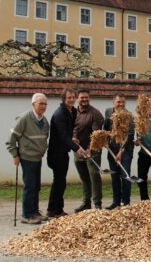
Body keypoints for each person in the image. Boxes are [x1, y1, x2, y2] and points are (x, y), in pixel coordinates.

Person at [6, 93, 49, 224]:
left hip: (37, 157)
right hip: (27, 157)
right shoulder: (24, 118)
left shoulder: (44, 121)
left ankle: (35, 211)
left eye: (45, 104)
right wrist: (15, 155)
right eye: (40, 103)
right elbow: (11, 139)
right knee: (29, 186)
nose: (43, 106)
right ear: (33, 104)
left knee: (36, 186)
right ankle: (27, 214)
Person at [47, 87, 86, 218]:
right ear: (64, 99)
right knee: (59, 181)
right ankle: (54, 210)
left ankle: (56, 208)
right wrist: (77, 148)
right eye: (68, 97)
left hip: (63, 152)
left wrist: (73, 138)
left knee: (60, 181)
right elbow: (63, 135)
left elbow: (69, 132)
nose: (71, 100)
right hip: (55, 153)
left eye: (72, 97)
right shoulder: (60, 114)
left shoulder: (73, 111)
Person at [72, 89, 105, 212]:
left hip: (93, 151)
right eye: (82, 97)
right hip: (78, 151)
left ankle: (97, 204)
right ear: (77, 98)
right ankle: (86, 203)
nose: (84, 99)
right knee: (84, 178)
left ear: (89, 98)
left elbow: (96, 134)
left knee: (94, 177)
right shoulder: (73, 112)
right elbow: (73, 127)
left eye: (86, 97)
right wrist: (74, 138)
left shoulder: (95, 113)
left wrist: (89, 149)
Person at [103, 93, 135, 210]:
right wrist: (104, 140)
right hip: (112, 150)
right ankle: (116, 202)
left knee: (125, 176)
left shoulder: (129, 116)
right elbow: (105, 128)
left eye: (123, 102)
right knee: (114, 176)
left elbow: (130, 135)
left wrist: (121, 151)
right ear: (113, 102)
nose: (121, 104)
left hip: (126, 151)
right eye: (118, 102)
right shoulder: (108, 112)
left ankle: (126, 202)